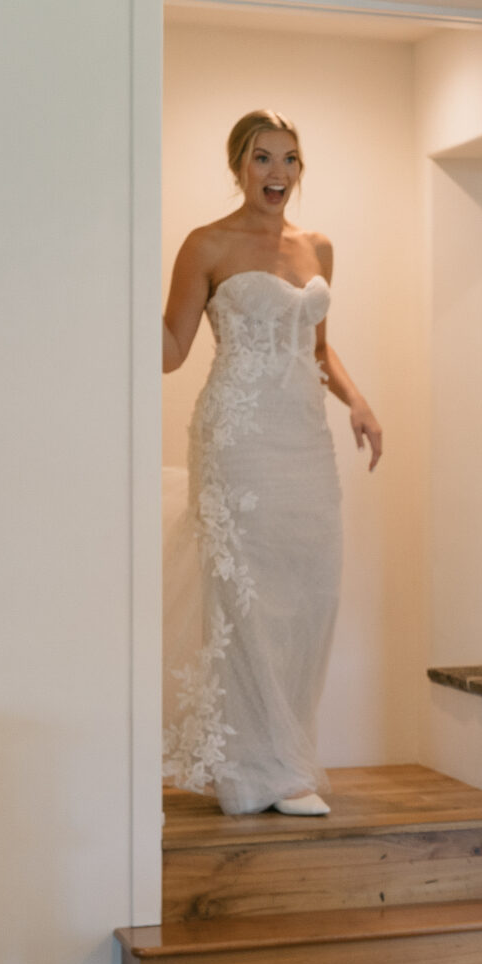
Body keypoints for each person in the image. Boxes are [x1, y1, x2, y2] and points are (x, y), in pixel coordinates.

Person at [159, 110, 384, 817]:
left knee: (312, 592)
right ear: (239, 165)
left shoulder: (317, 246)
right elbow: (171, 345)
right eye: (262, 158)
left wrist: (359, 401)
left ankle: (282, 754)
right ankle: (259, 773)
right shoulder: (206, 243)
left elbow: (318, 350)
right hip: (238, 435)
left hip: (304, 437)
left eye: (289, 159)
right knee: (246, 597)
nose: (277, 172)